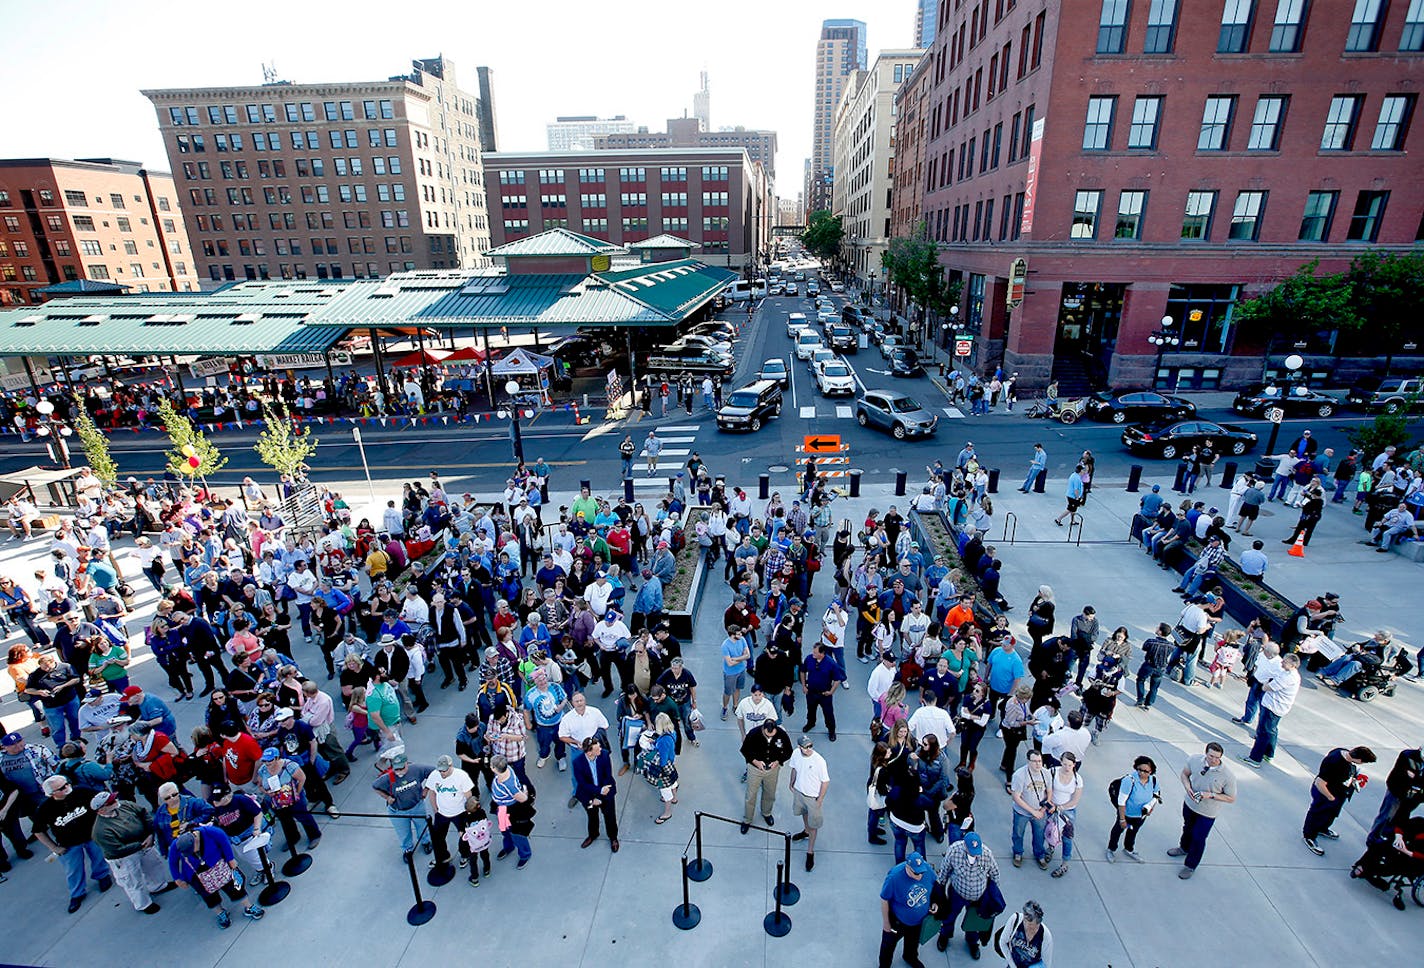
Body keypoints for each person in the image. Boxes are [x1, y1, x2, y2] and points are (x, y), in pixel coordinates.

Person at [33, 775, 113, 913]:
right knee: (73, 869)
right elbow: (38, 831)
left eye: (67, 783)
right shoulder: (45, 808)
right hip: (68, 843)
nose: (67, 787)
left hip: (91, 835)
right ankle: (77, 894)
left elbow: (103, 801)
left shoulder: (82, 791)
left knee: (99, 857)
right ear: (52, 793)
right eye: (62, 788)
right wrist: (54, 847)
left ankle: (102, 876)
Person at [90, 791, 173, 914]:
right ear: (101, 810)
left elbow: (143, 813)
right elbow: (116, 850)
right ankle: (143, 904)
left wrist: (150, 834)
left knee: (153, 865)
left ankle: (158, 886)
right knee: (132, 881)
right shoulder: (100, 831)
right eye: (111, 802)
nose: (116, 801)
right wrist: (140, 845)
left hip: (145, 843)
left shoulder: (125, 805)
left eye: (114, 798)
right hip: (124, 857)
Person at [166, 825, 265, 928]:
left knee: (235, 885)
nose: (191, 853)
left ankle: (248, 906)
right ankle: (220, 912)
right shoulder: (177, 845)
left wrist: (230, 859)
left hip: (219, 864)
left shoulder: (210, 832)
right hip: (196, 873)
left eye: (191, 850)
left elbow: (224, 842)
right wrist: (177, 878)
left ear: (195, 840)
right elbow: (172, 862)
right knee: (208, 895)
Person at [1169, 742, 1237, 878]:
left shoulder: (1228, 776)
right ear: (1206, 753)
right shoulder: (1194, 760)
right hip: (1190, 805)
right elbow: (1184, 775)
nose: (1214, 760)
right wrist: (1188, 788)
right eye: (1211, 756)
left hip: (1207, 813)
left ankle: (1190, 866)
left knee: (1199, 838)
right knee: (1187, 828)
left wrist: (1211, 795)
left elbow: (1231, 798)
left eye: (1217, 758)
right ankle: (1184, 848)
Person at [934, 831, 1000, 957]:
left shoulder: (986, 854)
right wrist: (939, 893)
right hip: (957, 894)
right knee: (949, 916)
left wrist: (991, 894)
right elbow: (944, 871)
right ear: (965, 846)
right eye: (972, 851)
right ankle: (944, 935)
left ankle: (972, 941)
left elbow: (995, 873)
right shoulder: (954, 851)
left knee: (974, 921)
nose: (975, 855)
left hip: (978, 896)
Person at [1303, 746, 1376, 856]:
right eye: (1363, 762)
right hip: (1326, 793)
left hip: (1338, 792)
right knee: (1317, 813)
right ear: (1359, 760)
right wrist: (1330, 797)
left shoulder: (1344, 754)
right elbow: (1320, 782)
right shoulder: (1334, 762)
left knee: (1331, 814)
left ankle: (1323, 828)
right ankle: (1309, 836)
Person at [1241, 653, 1301, 768]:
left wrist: (1266, 683)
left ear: (1293, 665)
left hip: (1273, 707)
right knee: (1272, 730)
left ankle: (1255, 758)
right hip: (1275, 706)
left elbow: (1267, 687)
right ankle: (1269, 753)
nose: (1282, 662)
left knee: (1263, 732)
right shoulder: (1289, 673)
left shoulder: (1288, 677)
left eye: (1285, 661)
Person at [373, 751, 433, 862]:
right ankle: (408, 849)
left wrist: (426, 789)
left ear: (407, 764)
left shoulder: (416, 769)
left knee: (423, 826)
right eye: (396, 769)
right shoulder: (388, 777)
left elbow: (434, 772)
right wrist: (387, 798)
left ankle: (426, 842)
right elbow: (375, 787)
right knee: (403, 833)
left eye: (402, 768)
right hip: (398, 811)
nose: (399, 772)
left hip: (417, 807)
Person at [878, 851, 935, 968]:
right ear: (907, 867)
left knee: (913, 942)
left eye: (921, 873)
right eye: (915, 873)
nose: (919, 876)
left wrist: (934, 902)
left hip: (918, 921)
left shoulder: (927, 869)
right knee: (888, 945)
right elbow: (884, 899)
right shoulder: (894, 877)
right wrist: (886, 924)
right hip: (897, 921)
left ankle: (910, 956)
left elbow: (934, 884)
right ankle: (884, 965)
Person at [740, 718, 793, 833]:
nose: (770, 737)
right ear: (763, 729)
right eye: (767, 735)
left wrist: (779, 761)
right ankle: (747, 819)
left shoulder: (782, 734)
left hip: (772, 770)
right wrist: (755, 762)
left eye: (772, 735)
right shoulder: (754, 733)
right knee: (751, 795)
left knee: (770, 793)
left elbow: (789, 751)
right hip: (755, 769)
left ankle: (766, 812)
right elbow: (745, 750)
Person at [425, 754, 475, 872]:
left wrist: (469, 812)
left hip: (460, 813)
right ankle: (443, 857)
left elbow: (468, 795)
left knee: (464, 837)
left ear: (451, 766)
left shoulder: (461, 776)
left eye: (444, 770)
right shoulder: (434, 775)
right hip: (442, 813)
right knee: (438, 838)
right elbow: (432, 793)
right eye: (440, 770)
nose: (442, 773)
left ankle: (464, 855)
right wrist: (435, 810)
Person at [1107, 755, 1161, 863]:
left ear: (1151, 771)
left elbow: (1156, 795)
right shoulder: (1129, 780)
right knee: (1118, 830)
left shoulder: (1153, 781)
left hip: (1140, 815)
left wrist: (1151, 808)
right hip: (1127, 813)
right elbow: (1121, 801)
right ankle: (1111, 849)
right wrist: (1122, 819)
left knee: (1133, 832)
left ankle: (1129, 849)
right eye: (1139, 770)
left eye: (1146, 771)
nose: (1142, 773)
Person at [789, 734, 830, 871]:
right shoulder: (796, 754)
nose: (809, 749)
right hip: (800, 792)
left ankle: (810, 852)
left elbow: (825, 782)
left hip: (813, 797)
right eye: (806, 747)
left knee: (814, 825)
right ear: (799, 747)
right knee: (803, 814)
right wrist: (792, 783)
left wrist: (820, 799)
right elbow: (794, 768)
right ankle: (805, 831)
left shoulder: (819, 761)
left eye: (811, 746)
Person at [572, 735, 619, 852]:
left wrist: (600, 796)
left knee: (610, 817)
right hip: (588, 796)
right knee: (592, 816)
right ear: (589, 753)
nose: (600, 750)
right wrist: (595, 796)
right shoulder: (578, 763)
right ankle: (593, 835)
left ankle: (613, 838)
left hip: (606, 792)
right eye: (597, 749)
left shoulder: (604, 755)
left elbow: (608, 775)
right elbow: (582, 784)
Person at [489, 754, 534, 869]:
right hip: (502, 809)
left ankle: (525, 854)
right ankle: (509, 846)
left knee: (517, 834)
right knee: (504, 830)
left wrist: (524, 791)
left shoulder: (509, 785)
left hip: (512, 811)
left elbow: (523, 798)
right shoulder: (505, 770)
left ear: (494, 768)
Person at [1009, 748, 1052, 870]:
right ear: (1028, 761)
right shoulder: (1019, 775)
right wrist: (1033, 812)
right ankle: (1018, 853)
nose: (1038, 764)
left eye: (1040, 761)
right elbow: (1016, 797)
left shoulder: (1046, 773)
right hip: (1022, 812)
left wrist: (1043, 810)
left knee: (1040, 835)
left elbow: (1049, 791)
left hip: (1040, 811)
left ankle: (1039, 854)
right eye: (1035, 761)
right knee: (1018, 833)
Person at [1045, 751, 1083, 877]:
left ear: (1074, 765)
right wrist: (1050, 804)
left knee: (1067, 837)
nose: (1067, 767)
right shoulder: (1053, 772)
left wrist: (1060, 807)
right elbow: (1047, 790)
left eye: (1070, 765)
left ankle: (1065, 863)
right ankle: (1050, 848)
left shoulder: (1077, 779)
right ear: (1060, 762)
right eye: (1065, 764)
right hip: (1051, 807)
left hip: (1067, 811)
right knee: (1050, 830)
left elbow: (1075, 800)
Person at [801, 640, 846, 741]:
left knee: (828, 713)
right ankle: (810, 723)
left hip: (824, 695)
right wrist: (804, 685)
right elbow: (803, 671)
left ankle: (831, 730)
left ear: (822, 654)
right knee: (810, 710)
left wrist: (831, 692)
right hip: (811, 692)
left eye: (815, 653)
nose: (813, 654)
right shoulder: (809, 659)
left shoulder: (831, 663)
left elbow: (837, 679)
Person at [992, 900, 1054, 968]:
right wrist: (1012, 965)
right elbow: (1003, 941)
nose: (1031, 930)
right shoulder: (1015, 919)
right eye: (1028, 926)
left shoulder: (1046, 937)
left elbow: (1046, 964)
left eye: (1034, 927)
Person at [1134, 623, 1174, 711]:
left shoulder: (1151, 642)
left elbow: (1144, 648)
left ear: (1160, 632)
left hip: (1149, 665)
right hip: (1161, 668)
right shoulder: (1170, 645)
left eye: (1158, 628)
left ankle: (1140, 699)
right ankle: (1149, 703)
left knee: (1140, 680)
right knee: (1154, 686)